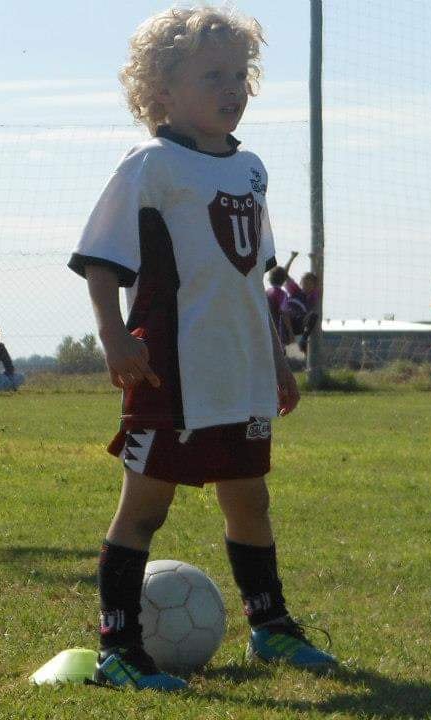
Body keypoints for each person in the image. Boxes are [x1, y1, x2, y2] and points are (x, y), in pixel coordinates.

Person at [67, 6, 336, 692]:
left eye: (240, 73)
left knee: (249, 500)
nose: (233, 86)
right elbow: (101, 262)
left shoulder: (251, 169)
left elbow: (250, 279)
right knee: (145, 509)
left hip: (239, 369)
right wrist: (114, 335)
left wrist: (275, 357)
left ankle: (270, 628)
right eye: (213, 74)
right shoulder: (149, 166)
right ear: (161, 91)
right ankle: (119, 650)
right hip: (171, 373)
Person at [281, 251, 320, 354]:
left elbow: (318, 279)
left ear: (313, 286)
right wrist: (292, 258)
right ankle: (287, 348)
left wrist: (314, 261)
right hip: (286, 318)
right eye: (305, 282)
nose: (307, 285)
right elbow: (284, 274)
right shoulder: (295, 290)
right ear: (301, 283)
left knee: (313, 316)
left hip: (298, 322)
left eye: (310, 283)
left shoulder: (311, 297)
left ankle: (303, 340)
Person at [266, 263, 291, 347]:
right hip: (277, 331)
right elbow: (284, 313)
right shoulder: (281, 294)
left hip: (264, 328)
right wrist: (290, 332)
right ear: (283, 280)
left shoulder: (266, 292)